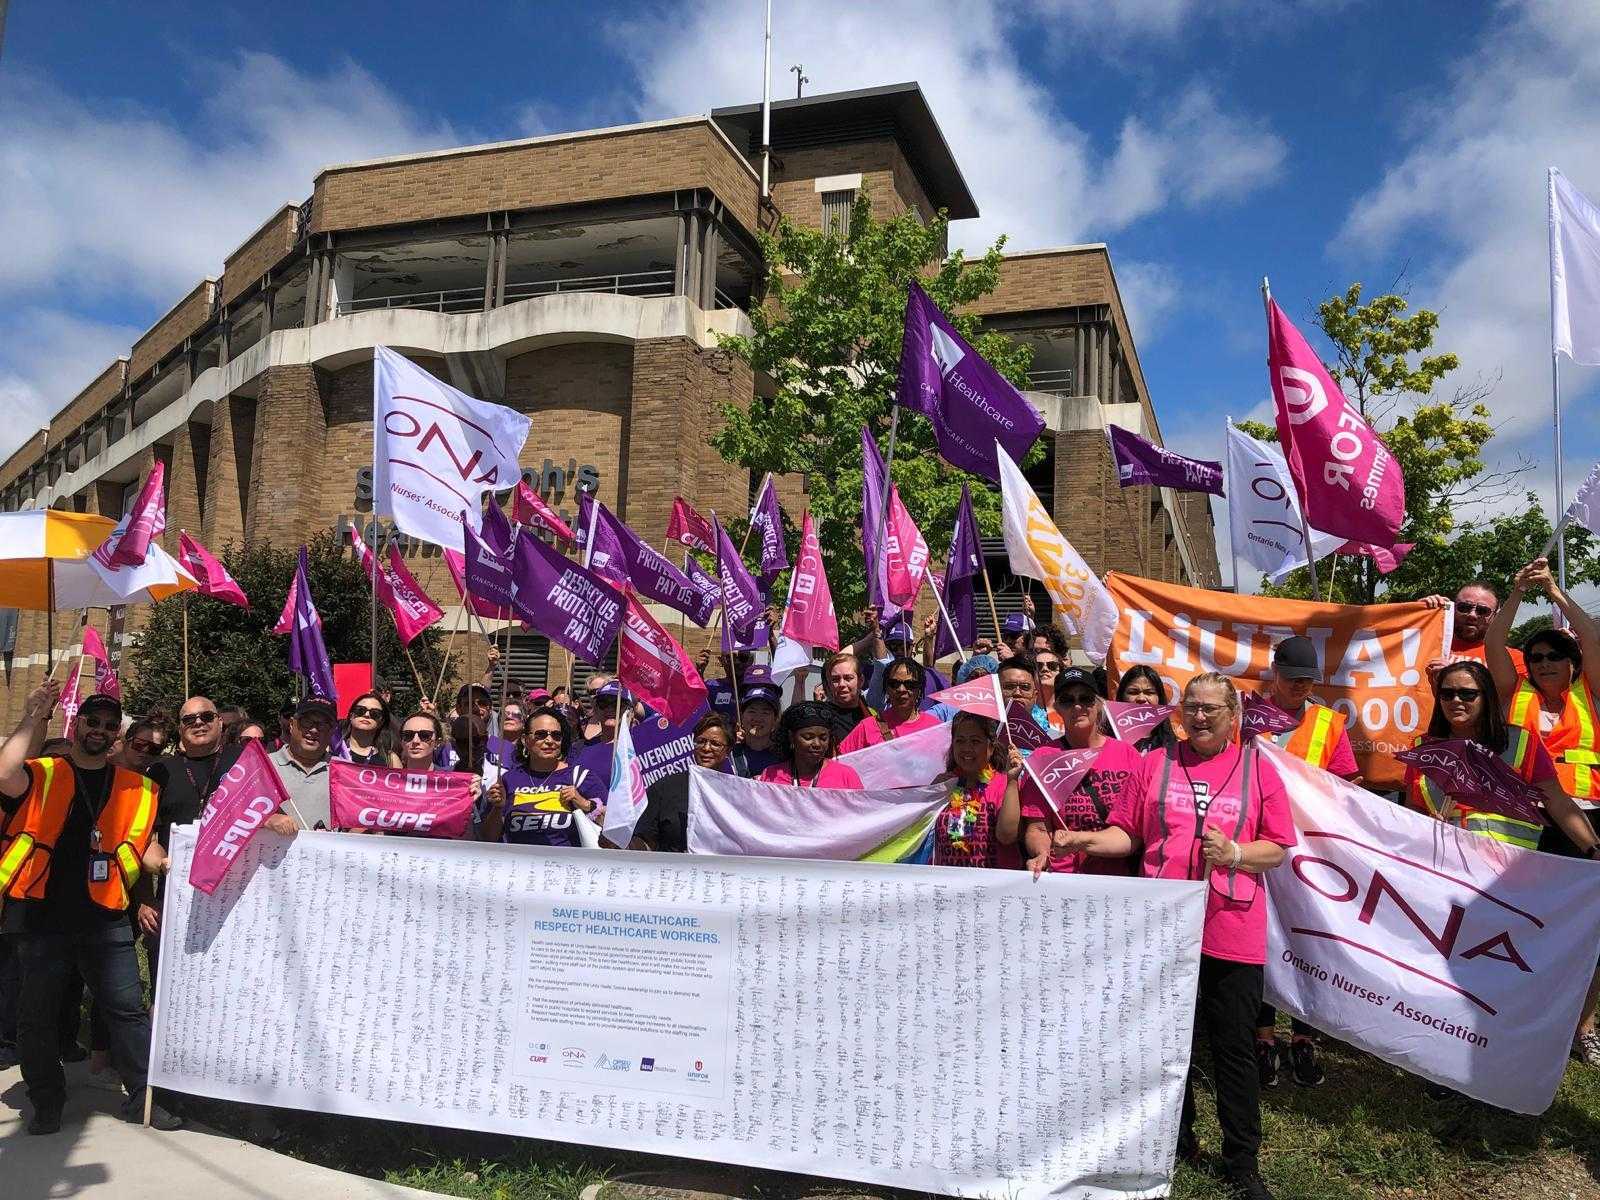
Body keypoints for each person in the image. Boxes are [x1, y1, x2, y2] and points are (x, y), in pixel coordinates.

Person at [1057, 673, 1292, 1200]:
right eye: (1193, 707)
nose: (1201, 716)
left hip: (1232, 925)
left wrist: (1234, 853)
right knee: (1166, 1042)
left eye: (1212, 708)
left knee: (1232, 1046)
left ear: (1233, 716)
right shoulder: (1154, 764)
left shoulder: (1260, 769)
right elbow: (1129, 835)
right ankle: (1175, 1138)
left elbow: (1277, 848)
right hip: (1163, 926)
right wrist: (1083, 839)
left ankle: (1241, 1161)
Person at [0, 683, 182, 1134]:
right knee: (36, 1015)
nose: (99, 729)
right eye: (91, 721)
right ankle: (47, 1100)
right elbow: (4, 774)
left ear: (116, 735)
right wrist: (32, 715)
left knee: (126, 1011)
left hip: (106, 919)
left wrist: (166, 862)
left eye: (108, 724)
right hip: (41, 917)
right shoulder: (41, 772)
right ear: (76, 724)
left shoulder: (138, 788)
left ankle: (144, 1097)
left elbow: (146, 846)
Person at [1486, 557, 1600, 1064]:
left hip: (1589, 820)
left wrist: (1556, 595)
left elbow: (1592, 636)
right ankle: (1519, 1011)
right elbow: (1493, 644)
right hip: (1529, 822)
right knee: (1527, 921)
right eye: (1536, 657)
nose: (1546, 662)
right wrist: (1515, 594)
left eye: (1556, 654)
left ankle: (1582, 1024)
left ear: (1572, 663)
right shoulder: (1515, 694)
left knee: (1593, 926)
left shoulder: (1591, 696)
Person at [1249, 636, 1359, 1087]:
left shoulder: (1330, 724)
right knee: (1260, 939)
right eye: (1292, 679)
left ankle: (1304, 1036)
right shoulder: (1248, 715)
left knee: (1305, 940)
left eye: (1307, 681)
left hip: (1310, 854)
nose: (1299, 687)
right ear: (1274, 672)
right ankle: (1263, 1036)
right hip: (1257, 844)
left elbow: (1348, 788)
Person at [1404, 661, 1599, 852]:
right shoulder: (1423, 748)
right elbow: (1413, 809)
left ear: (1487, 698)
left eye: (1467, 694)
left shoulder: (1520, 742)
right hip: (1448, 865)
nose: (1456, 700)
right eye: (1447, 694)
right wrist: (1425, 826)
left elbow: (1557, 802)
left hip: (1510, 870)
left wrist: (1593, 849)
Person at [1020, 668, 1142, 877]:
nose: (1077, 706)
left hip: (1121, 878)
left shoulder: (1127, 754)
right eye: (1067, 700)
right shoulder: (1043, 758)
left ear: (1098, 703)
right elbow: (1038, 828)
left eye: (1085, 699)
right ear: (1056, 706)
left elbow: (1137, 827)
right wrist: (1042, 854)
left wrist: (1078, 840)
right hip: (1064, 877)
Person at [481, 707, 605, 847]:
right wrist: (498, 809)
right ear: (525, 740)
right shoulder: (508, 780)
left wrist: (585, 804)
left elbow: (614, 824)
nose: (549, 740)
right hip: (519, 864)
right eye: (541, 734)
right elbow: (488, 838)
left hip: (567, 865)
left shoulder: (580, 776)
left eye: (556, 735)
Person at [635, 713, 734, 852]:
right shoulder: (664, 787)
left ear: (728, 750)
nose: (706, 748)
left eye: (715, 744)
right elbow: (647, 841)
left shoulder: (736, 792)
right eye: (700, 741)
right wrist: (622, 844)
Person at [933, 712, 1023, 867]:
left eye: (975, 741)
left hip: (993, 886)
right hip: (947, 885)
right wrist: (935, 790)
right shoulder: (944, 784)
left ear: (991, 747)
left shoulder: (1005, 783)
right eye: (960, 741)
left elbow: (1007, 836)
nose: (966, 748)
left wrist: (1013, 781)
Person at [837, 656, 943, 754]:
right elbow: (837, 763)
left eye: (910, 684)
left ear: (919, 690)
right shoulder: (867, 728)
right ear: (886, 688)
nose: (901, 689)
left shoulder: (935, 727)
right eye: (894, 684)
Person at [1422, 579, 1526, 675]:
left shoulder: (1513, 659)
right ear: (1452, 609)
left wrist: (1453, 676)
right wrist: (1418, 613)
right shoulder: (1424, 646)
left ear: (1495, 616)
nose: (1472, 615)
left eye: (1482, 610)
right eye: (1464, 607)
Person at [264, 698, 335, 833]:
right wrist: (266, 820)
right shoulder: (262, 766)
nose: (314, 730)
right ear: (291, 724)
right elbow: (230, 810)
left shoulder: (345, 772)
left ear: (332, 731)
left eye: (323, 725)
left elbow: (363, 818)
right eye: (306, 722)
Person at [759, 702, 864, 788]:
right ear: (791, 737)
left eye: (823, 738)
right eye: (808, 737)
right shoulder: (771, 775)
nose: (817, 744)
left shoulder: (846, 775)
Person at [1116, 666, 1179, 752]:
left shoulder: (1174, 748)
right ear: (1121, 697)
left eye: (1149, 693)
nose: (1141, 698)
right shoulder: (1105, 742)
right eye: (1133, 692)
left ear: (1159, 699)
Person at [818, 651, 872, 747]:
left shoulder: (873, 715)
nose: (842, 684)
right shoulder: (821, 718)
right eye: (835, 679)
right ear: (829, 684)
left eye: (848, 678)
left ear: (861, 681)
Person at [730, 685, 782, 778]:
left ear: (775, 719)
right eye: (752, 711)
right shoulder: (730, 754)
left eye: (765, 713)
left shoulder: (784, 756)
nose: (758, 718)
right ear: (741, 716)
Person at [338, 691, 394, 766]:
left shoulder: (390, 759)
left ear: (381, 722)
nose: (366, 715)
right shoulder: (332, 748)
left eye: (375, 713)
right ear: (351, 716)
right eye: (360, 710)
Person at [1032, 649, 1066, 734]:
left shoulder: (1069, 709)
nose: (1044, 669)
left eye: (1052, 666)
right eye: (1038, 666)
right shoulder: (1025, 709)